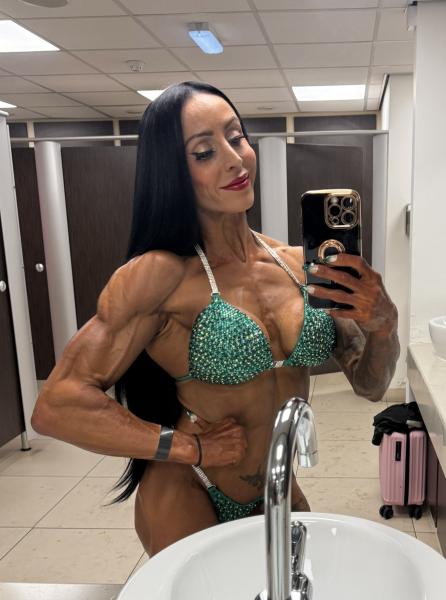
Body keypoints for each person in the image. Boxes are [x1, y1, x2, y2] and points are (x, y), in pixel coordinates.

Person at [31, 81, 400, 557]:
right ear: (173, 172)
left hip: (276, 489)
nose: (234, 159)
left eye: (236, 137)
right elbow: (57, 405)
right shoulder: (160, 275)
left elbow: (370, 386)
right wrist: (188, 449)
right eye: (204, 152)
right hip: (189, 488)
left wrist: (384, 323)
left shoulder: (297, 266)